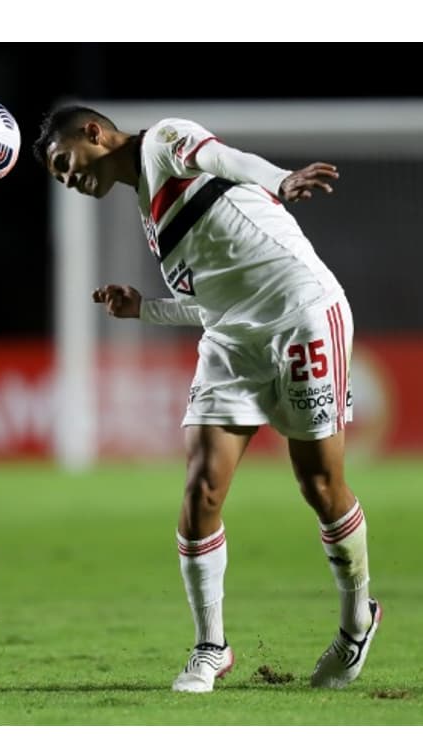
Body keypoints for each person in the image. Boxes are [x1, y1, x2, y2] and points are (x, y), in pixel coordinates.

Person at [33, 106, 380, 693]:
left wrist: (279, 181)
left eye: (64, 163)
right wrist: (144, 308)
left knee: (320, 485)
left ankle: (356, 621)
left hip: (302, 316)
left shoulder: (166, 141)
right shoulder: (151, 216)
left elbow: (225, 159)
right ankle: (210, 647)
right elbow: (213, 303)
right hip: (230, 340)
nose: (67, 179)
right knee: (201, 489)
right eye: (58, 177)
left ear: (94, 134)